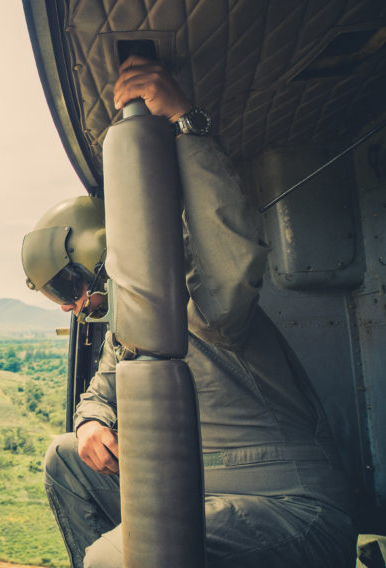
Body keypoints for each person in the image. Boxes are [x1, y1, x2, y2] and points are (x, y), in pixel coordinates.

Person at [22, 56, 356, 568]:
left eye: (68, 285)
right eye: (54, 297)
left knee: (113, 562)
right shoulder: (128, 332)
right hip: (205, 498)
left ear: (102, 254)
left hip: (291, 506)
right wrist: (91, 422)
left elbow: (232, 249)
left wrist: (186, 123)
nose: (69, 305)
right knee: (65, 457)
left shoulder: (198, 299)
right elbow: (99, 393)